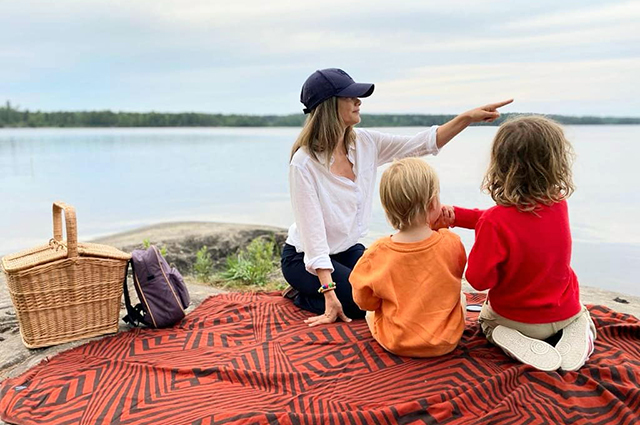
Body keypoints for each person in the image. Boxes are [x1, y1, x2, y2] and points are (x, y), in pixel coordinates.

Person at [280, 67, 512, 327]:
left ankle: (332, 291)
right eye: (350, 97)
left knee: (399, 291)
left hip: (347, 250)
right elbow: (313, 238)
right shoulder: (304, 163)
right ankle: (303, 295)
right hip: (305, 259)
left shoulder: (365, 143)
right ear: (328, 106)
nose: (358, 102)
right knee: (357, 306)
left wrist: (466, 119)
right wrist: (329, 294)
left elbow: (422, 143)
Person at [437, 115, 596, 371]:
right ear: (554, 162)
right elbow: (517, 224)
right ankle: (577, 328)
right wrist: (457, 215)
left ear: (500, 164)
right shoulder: (558, 204)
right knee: (579, 311)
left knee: (487, 320)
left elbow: (479, 281)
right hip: (564, 311)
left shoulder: (494, 222)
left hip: (514, 319)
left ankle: (502, 334)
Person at [350, 158, 467, 357]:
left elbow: (364, 301)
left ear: (387, 209)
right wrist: (440, 230)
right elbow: (453, 274)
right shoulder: (451, 242)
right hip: (446, 341)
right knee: (461, 297)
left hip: (396, 342)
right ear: (432, 204)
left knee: (371, 313)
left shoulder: (376, 253)